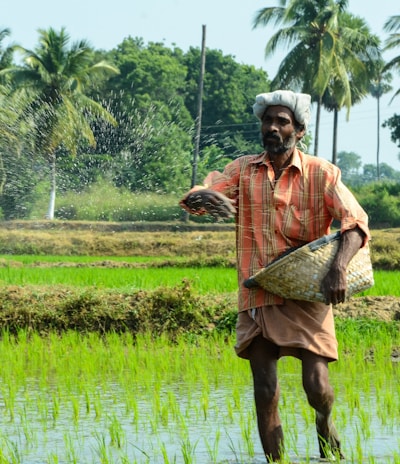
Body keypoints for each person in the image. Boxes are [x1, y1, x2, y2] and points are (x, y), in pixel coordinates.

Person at [180, 89, 370, 463]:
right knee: (265, 390)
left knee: (316, 387)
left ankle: (324, 424)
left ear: (298, 131)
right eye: (268, 121)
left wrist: (337, 269)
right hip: (258, 291)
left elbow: (355, 224)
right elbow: (196, 201)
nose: (272, 127)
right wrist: (207, 196)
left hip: (306, 291)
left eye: (281, 122)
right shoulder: (243, 170)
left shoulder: (322, 173)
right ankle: (275, 462)